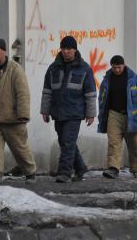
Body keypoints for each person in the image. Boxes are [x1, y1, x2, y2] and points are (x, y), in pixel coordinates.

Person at [0, 37, 36, 184]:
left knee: (20, 149)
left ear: (3, 51)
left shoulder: (15, 69)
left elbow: (23, 93)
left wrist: (23, 114)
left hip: (12, 118)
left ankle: (30, 172)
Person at [40, 36, 96, 183]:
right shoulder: (53, 68)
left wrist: (91, 114)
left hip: (75, 113)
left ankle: (64, 172)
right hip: (58, 112)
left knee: (68, 142)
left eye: (69, 49)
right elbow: (47, 91)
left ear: (75, 50)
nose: (66, 51)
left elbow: (90, 93)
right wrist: (45, 110)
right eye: (63, 48)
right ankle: (80, 167)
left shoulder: (84, 69)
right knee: (65, 141)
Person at [98, 55, 137, 179]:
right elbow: (102, 98)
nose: (117, 70)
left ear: (124, 65)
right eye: (114, 67)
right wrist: (101, 115)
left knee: (134, 144)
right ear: (111, 66)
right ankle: (113, 168)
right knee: (113, 142)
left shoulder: (133, 78)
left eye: (119, 67)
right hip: (114, 114)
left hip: (132, 115)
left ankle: (136, 168)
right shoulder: (107, 79)